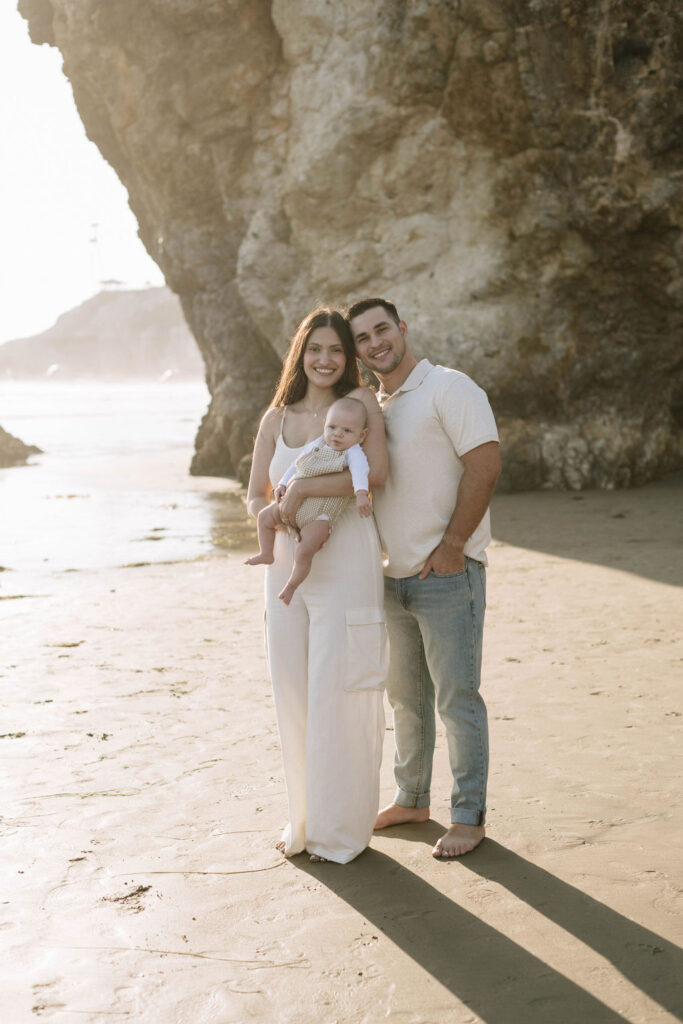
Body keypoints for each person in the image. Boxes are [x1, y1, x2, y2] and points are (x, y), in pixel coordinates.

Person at [347, 297, 501, 859]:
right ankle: (412, 798)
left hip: (447, 574)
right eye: (361, 338)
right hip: (391, 579)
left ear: (402, 330)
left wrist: (454, 546)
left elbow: (485, 464)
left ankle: (468, 816)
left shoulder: (450, 388)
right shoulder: (371, 408)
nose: (374, 343)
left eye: (381, 329)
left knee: (457, 698)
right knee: (407, 700)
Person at [245, 307, 388, 864]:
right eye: (315, 349)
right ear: (300, 354)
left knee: (342, 688)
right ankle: (303, 819)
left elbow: (375, 474)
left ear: (347, 358)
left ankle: (340, 831)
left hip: (345, 559)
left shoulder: (359, 407)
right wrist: (274, 513)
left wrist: (300, 495)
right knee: (294, 690)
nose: (325, 360)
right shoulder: (274, 418)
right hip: (285, 565)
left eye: (335, 350)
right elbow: (255, 491)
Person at [245, 396, 372, 605]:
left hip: (319, 514)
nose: (338, 434)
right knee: (265, 516)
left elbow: (361, 473)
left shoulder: (353, 452)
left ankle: (291, 585)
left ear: (361, 435)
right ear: (325, 426)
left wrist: (360, 494)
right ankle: (266, 552)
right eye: (332, 427)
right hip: (290, 505)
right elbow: (296, 465)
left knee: (304, 551)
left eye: (347, 431)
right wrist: (283, 485)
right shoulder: (317, 444)